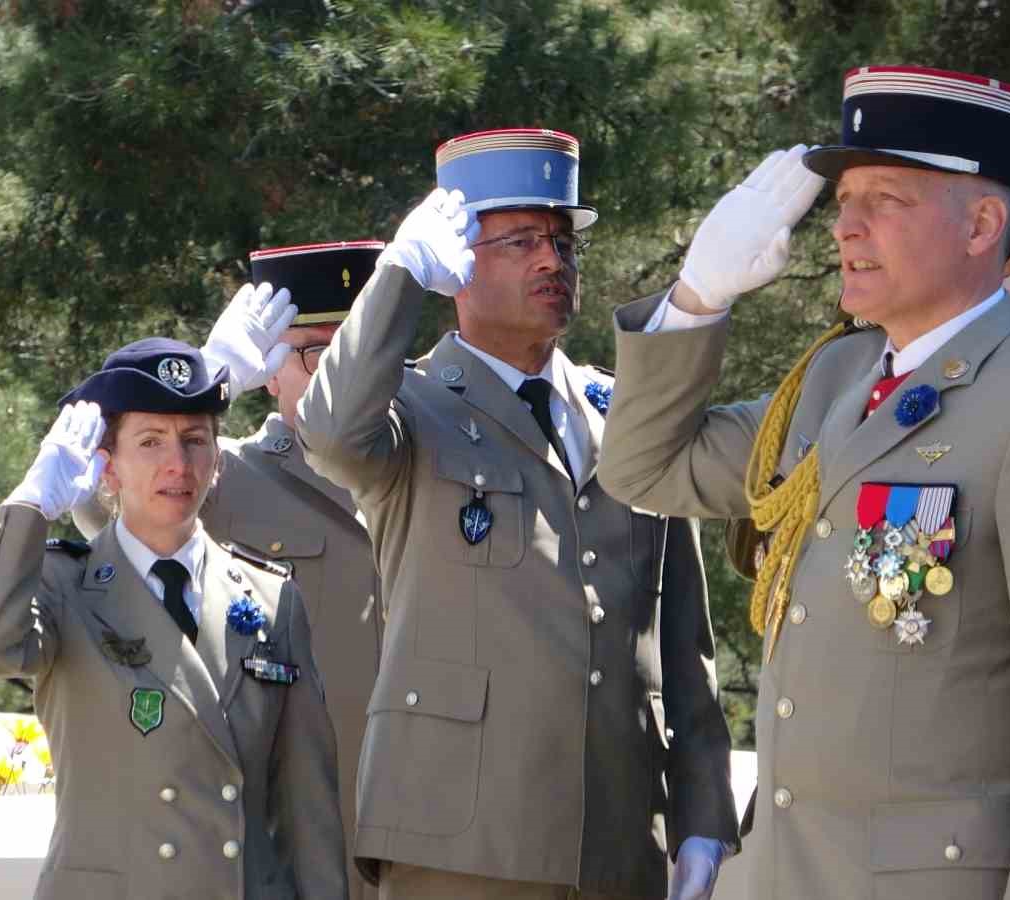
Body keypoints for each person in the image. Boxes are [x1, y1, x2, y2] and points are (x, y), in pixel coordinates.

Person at [596, 66, 1010, 899]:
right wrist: (696, 299)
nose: (846, 226)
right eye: (844, 199)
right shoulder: (835, 380)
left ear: (982, 224)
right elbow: (644, 468)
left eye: (885, 199)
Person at [296, 128, 739, 900]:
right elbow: (330, 435)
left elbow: (682, 641)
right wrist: (398, 277)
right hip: (462, 840)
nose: (551, 261)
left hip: (617, 835)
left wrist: (703, 812)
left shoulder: (625, 418)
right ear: (458, 264)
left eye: (563, 242)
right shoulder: (414, 407)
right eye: (522, 241)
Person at [0, 338, 347, 899]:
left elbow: (309, 810)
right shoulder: (63, 584)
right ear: (107, 467)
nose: (177, 464)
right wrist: (30, 507)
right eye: (150, 441)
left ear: (217, 461)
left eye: (195, 440)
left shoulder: (272, 598)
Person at [74, 240, 388, 900]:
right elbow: (92, 496)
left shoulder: (435, 467)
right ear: (268, 372)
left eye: (360, 346)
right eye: (316, 353)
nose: (346, 371)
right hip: (291, 844)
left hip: (431, 837)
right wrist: (203, 380)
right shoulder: (221, 478)